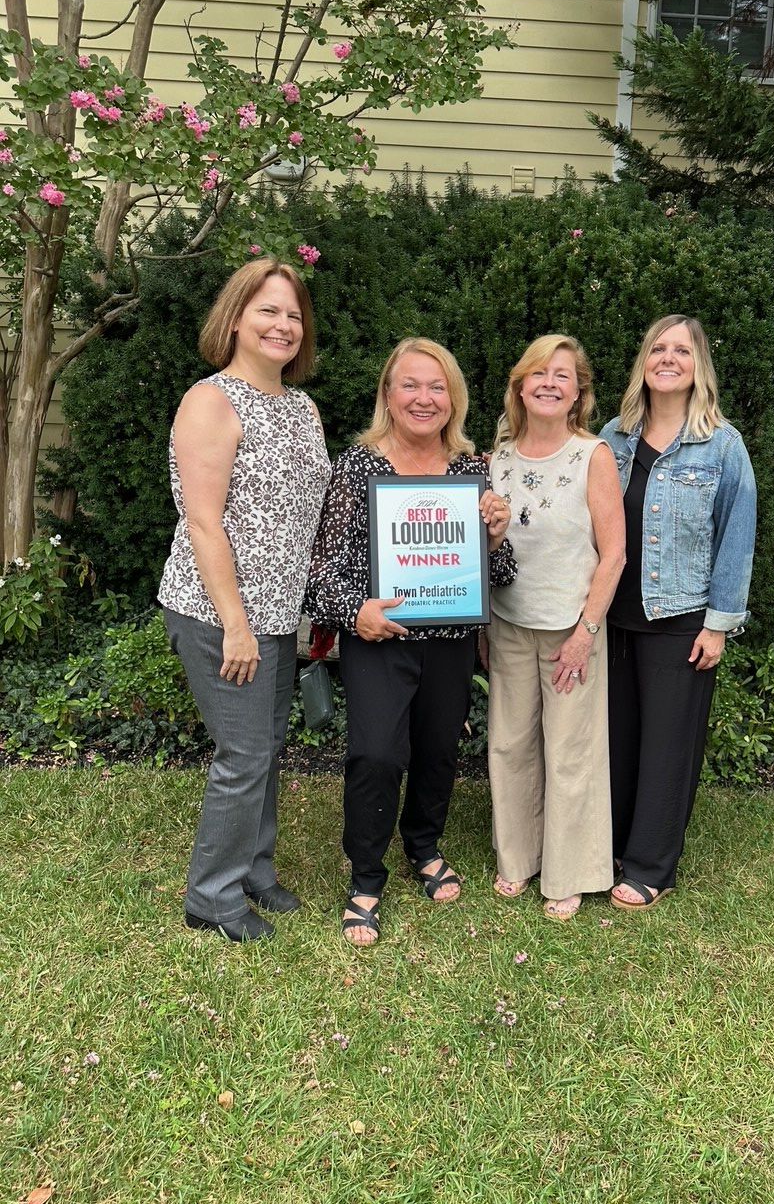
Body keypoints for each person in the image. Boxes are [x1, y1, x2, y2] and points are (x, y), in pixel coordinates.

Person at [305, 337, 515, 947]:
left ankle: (423, 845)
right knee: (375, 752)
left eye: (437, 387)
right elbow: (322, 571)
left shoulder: (472, 472)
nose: (424, 398)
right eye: (410, 386)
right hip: (380, 638)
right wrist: (354, 612)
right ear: (388, 396)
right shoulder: (358, 466)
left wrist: (496, 537)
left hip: (450, 640)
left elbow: (499, 577)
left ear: (453, 398)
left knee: (437, 750)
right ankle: (366, 875)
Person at [158, 259, 330, 942]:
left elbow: (304, 519)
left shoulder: (302, 406)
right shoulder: (210, 402)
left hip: (281, 616)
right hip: (218, 612)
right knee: (243, 752)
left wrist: (312, 614)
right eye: (268, 310)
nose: (283, 324)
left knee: (266, 747)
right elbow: (203, 521)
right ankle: (213, 899)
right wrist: (236, 624)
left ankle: (254, 870)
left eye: (293, 314)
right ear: (235, 319)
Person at [599, 315, 756, 911]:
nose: (668, 359)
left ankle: (650, 866)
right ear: (643, 361)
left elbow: (736, 538)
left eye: (681, 351)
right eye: (658, 349)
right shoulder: (613, 438)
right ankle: (613, 847)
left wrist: (719, 623)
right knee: (619, 741)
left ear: (698, 367)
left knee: (669, 746)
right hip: (613, 618)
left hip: (682, 618)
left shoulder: (722, 444)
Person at [486, 334, 626, 920]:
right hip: (508, 624)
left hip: (573, 630)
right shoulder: (497, 457)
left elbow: (614, 552)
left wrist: (585, 631)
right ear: (521, 385)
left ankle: (570, 872)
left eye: (562, 375)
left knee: (570, 753)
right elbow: (487, 549)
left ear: (578, 392)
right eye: (538, 373)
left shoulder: (592, 455)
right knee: (511, 744)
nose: (549, 382)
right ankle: (518, 857)